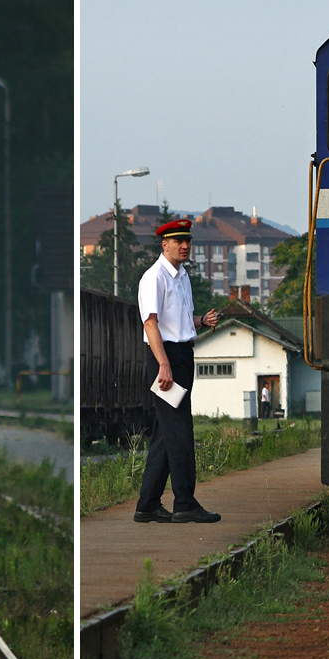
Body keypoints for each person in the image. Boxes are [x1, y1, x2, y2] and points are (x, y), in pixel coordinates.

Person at [135, 218, 220, 524]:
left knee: (165, 432)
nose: (185, 246)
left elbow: (177, 322)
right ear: (164, 244)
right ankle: (184, 502)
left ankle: (147, 503)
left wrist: (201, 321)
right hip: (165, 358)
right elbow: (151, 323)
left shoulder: (181, 277)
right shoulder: (154, 277)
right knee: (180, 430)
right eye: (178, 241)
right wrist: (163, 365)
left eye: (188, 241)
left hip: (182, 355)